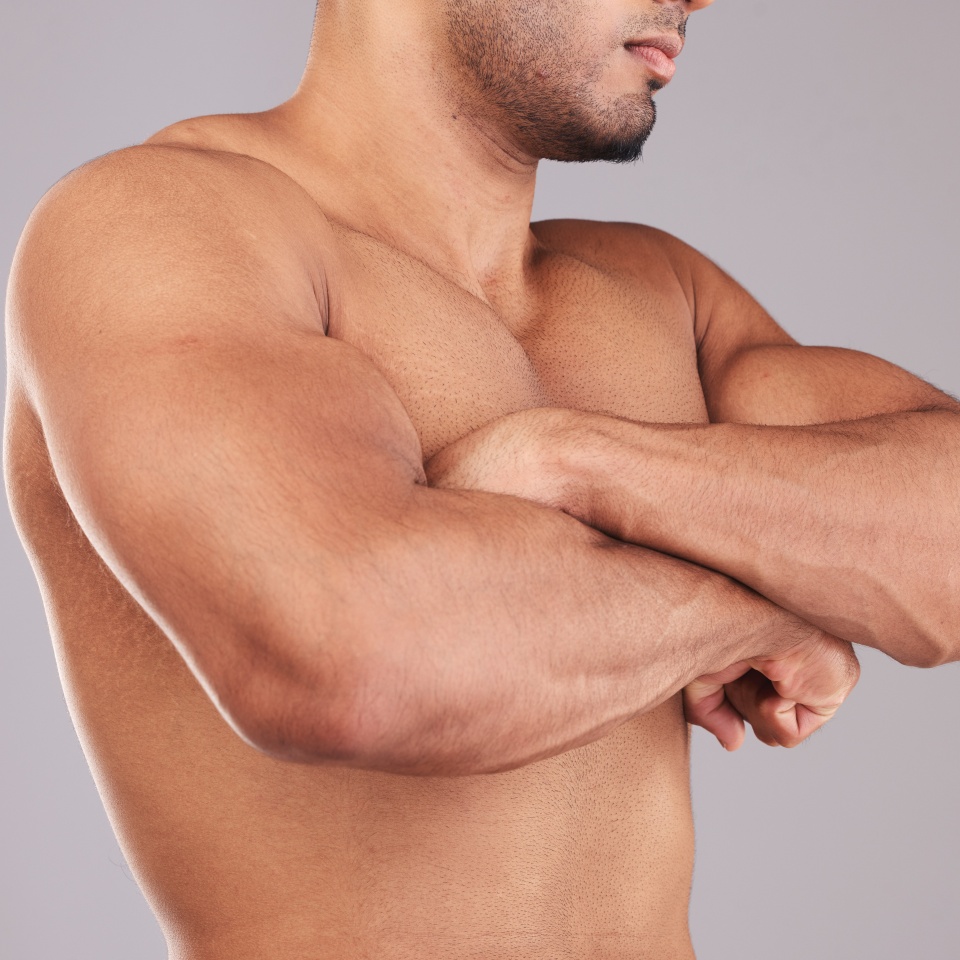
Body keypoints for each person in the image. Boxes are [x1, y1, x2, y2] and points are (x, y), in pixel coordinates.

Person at [4, 0, 959, 957]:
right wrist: (774, 600)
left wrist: (580, 460)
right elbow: (346, 659)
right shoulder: (159, 226)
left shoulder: (662, 292)